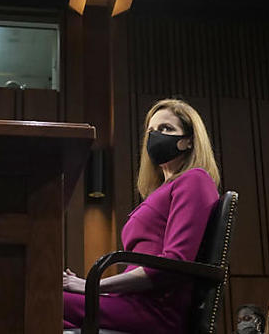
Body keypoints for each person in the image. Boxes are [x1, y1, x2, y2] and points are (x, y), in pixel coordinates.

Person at [62, 98, 221, 333]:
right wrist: (94, 288)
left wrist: (91, 286)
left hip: (157, 309)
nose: (155, 136)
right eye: (151, 131)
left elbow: (173, 263)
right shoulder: (161, 191)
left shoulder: (194, 180)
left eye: (166, 129)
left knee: (47, 300)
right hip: (133, 302)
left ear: (188, 141)